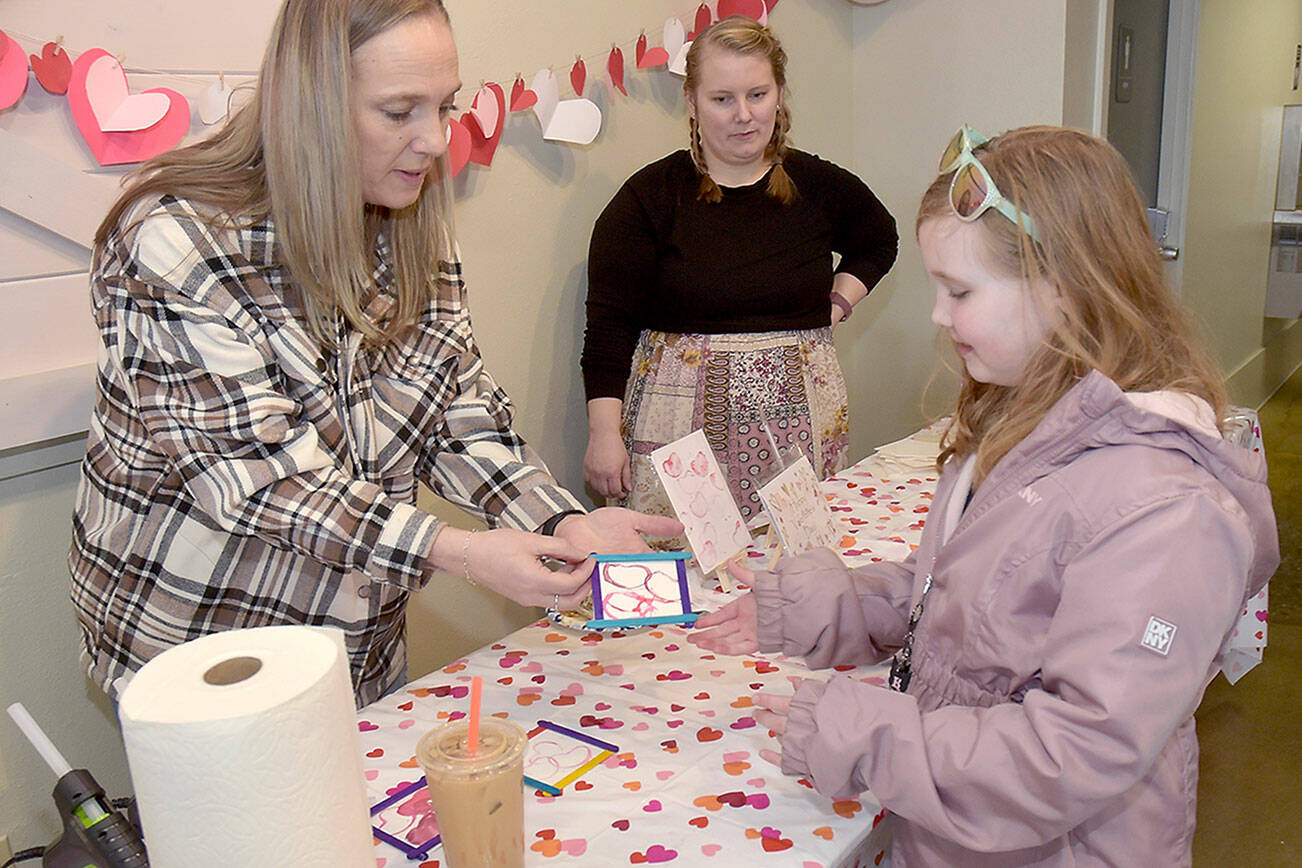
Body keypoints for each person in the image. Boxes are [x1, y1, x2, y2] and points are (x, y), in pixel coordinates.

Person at [688, 125, 1279, 865]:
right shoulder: (1017, 417)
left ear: (1064, 288)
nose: (936, 315)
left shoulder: (1165, 509)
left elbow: (1074, 751)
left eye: (959, 291)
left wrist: (865, 734)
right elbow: (970, 595)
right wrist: (814, 603)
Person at [69, 0, 679, 708]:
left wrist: (560, 521)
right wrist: (463, 553)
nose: (435, 140)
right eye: (399, 113)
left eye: (444, 106)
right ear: (312, 107)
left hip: (355, 631)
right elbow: (264, 483)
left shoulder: (408, 220)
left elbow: (457, 412)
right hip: (207, 637)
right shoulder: (176, 240)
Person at [581, 15, 898, 526]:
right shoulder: (649, 198)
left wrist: (838, 303)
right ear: (692, 102)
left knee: (790, 575)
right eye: (722, 99)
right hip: (679, 434)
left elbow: (879, 240)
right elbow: (609, 330)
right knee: (689, 574)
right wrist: (603, 435)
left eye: (758, 94)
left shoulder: (818, 185)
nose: (743, 115)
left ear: (779, 93)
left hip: (799, 429)